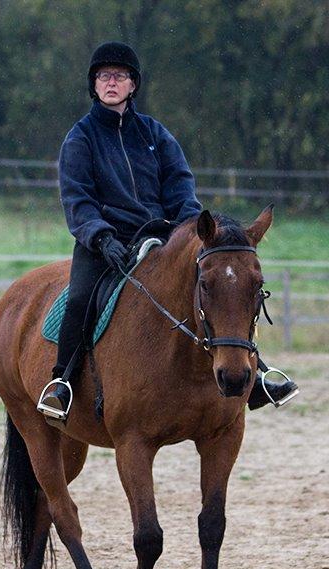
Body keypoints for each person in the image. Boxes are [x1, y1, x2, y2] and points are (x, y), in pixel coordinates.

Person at [37, 41, 297, 421]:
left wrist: (190, 229)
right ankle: (63, 383)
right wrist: (100, 236)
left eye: (120, 76)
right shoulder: (81, 138)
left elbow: (180, 186)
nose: (111, 82)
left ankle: (256, 374)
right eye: (103, 76)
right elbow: (77, 200)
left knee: (222, 288)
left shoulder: (155, 134)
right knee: (79, 299)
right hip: (104, 243)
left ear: (133, 85)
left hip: (163, 237)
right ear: (93, 85)